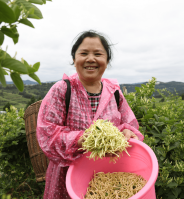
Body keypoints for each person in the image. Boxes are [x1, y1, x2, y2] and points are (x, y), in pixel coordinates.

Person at [36, 30, 144, 199]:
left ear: (107, 61)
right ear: (74, 59)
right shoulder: (62, 90)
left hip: (106, 174)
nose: (91, 59)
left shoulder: (115, 93)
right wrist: (87, 139)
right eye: (84, 53)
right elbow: (47, 134)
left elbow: (129, 125)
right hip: (67, 175)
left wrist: (127, 134)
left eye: (98, 54)